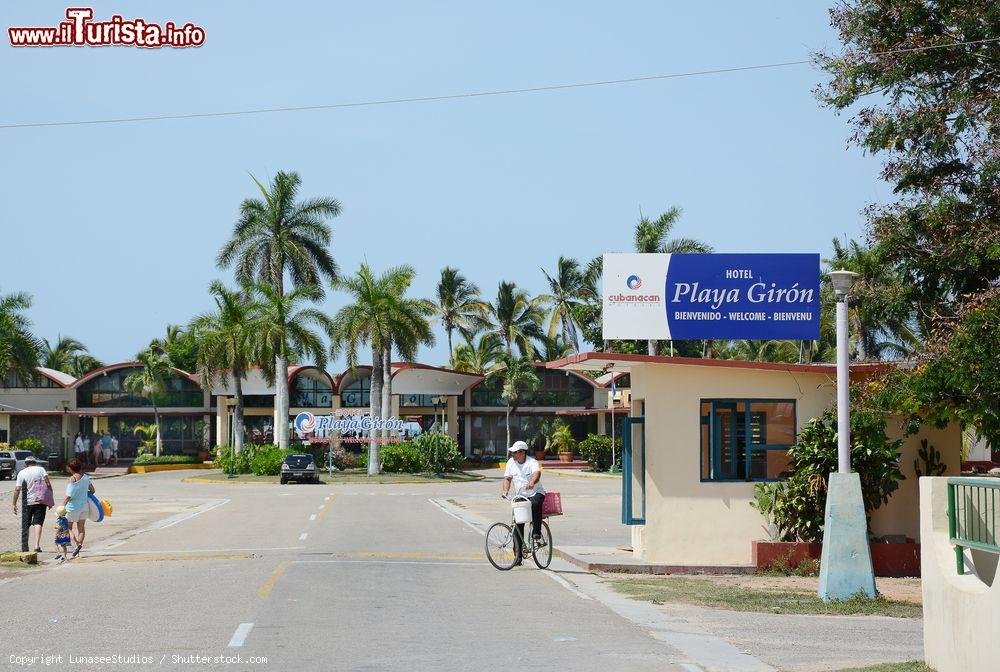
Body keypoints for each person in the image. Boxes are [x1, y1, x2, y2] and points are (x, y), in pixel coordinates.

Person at [500, 440, 546, 566]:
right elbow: (507, 478)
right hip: (521, 495)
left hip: (535, 492)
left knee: (536, 504)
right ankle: (518, 557)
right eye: (512, 452)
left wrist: (532, 483)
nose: (513, 455)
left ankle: (537, 532)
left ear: (522, 452)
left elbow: (537, 473)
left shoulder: (532, 462)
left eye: (515, 452)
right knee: (517, 523)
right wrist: (505, 491)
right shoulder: (511, 462)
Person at [11, 455, 53, 553]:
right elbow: (48, 484)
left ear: (25, 464)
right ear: (35, 462)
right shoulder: (41, 469)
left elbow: (17, 489)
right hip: (40, 500)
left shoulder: (22, 473)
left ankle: (25, 546)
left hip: (27, 502)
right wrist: (50, 500)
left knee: (26, 524)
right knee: (38, 523)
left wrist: (14, 503)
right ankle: (36, 546)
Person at [63, 458, 95, 558]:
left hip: (73, 507)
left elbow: (68, 496)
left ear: (70, 468)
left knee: (68, 528)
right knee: (81, 529)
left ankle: (76, 544)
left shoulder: (72, 479)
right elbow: (93, 491)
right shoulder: (86, 477)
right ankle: (79, 546)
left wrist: (62, 506)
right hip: (84, 506)